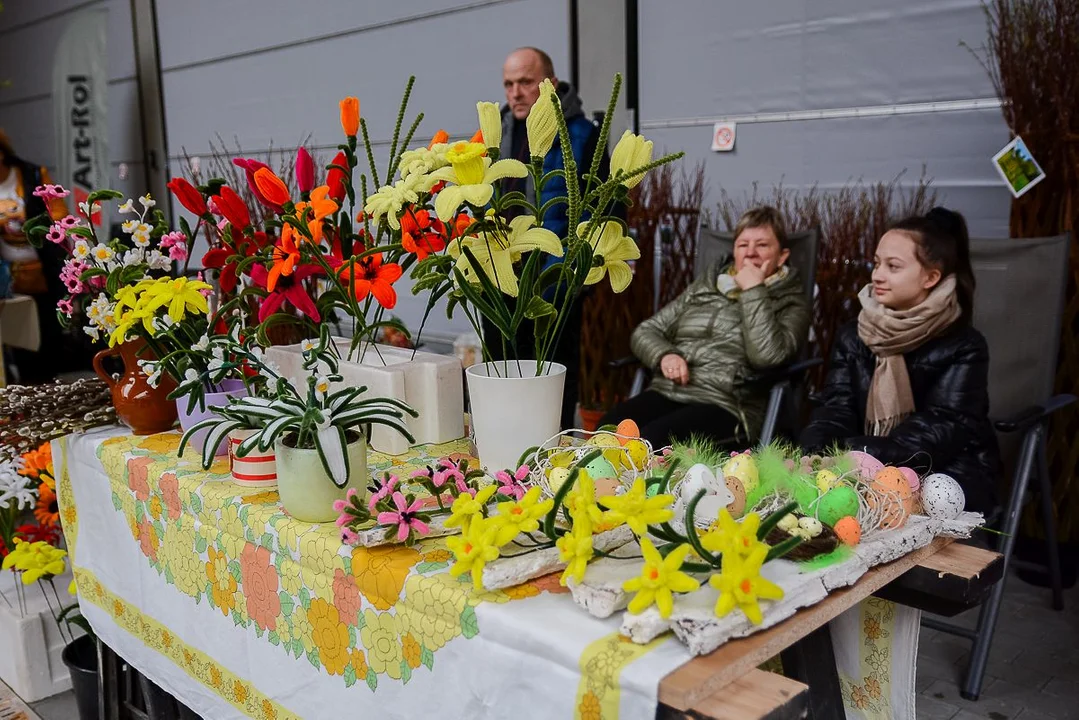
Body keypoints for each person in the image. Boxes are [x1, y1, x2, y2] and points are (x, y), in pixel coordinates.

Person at [799, 208, 1000, 513]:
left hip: (946, 472)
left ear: (931, 277)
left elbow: (938, 431)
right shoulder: (855, 335)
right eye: (877, 263)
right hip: (861, 463)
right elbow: (836, 406)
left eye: (893, 266)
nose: (877, 275)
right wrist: (818, 449)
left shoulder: (964, 346)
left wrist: (851, 454)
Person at [600, 207, 811, 448]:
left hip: (727, 404)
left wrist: (754, 290)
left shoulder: (790, 302)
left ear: (782, 256)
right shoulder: (706, 286)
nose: (750, 253)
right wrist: (664, 354)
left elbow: (767, 357)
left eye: (762, 245)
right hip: (669, 390)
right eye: (743, 245)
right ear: (734, 250)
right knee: (607, 431)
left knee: (651, 443)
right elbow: (646, 331)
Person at [481, 47, 610, 429]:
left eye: (525, 82)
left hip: (552, 283)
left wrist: (570, 276)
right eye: (508, 84)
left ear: (550, 83)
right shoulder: (497, 131)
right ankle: (502, 451)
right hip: (499, 277)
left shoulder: (583, 135)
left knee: (552, 381)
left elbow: (599, 214)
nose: (515, 92)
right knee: (500, 374)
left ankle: (549, 458)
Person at [0, 130, 71, 384]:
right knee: (18, 338)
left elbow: (59, 213)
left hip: (43, 269)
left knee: (49, 334)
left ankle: (49, 387)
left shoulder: (31, 174)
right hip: (9, 278)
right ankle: (28, 391)